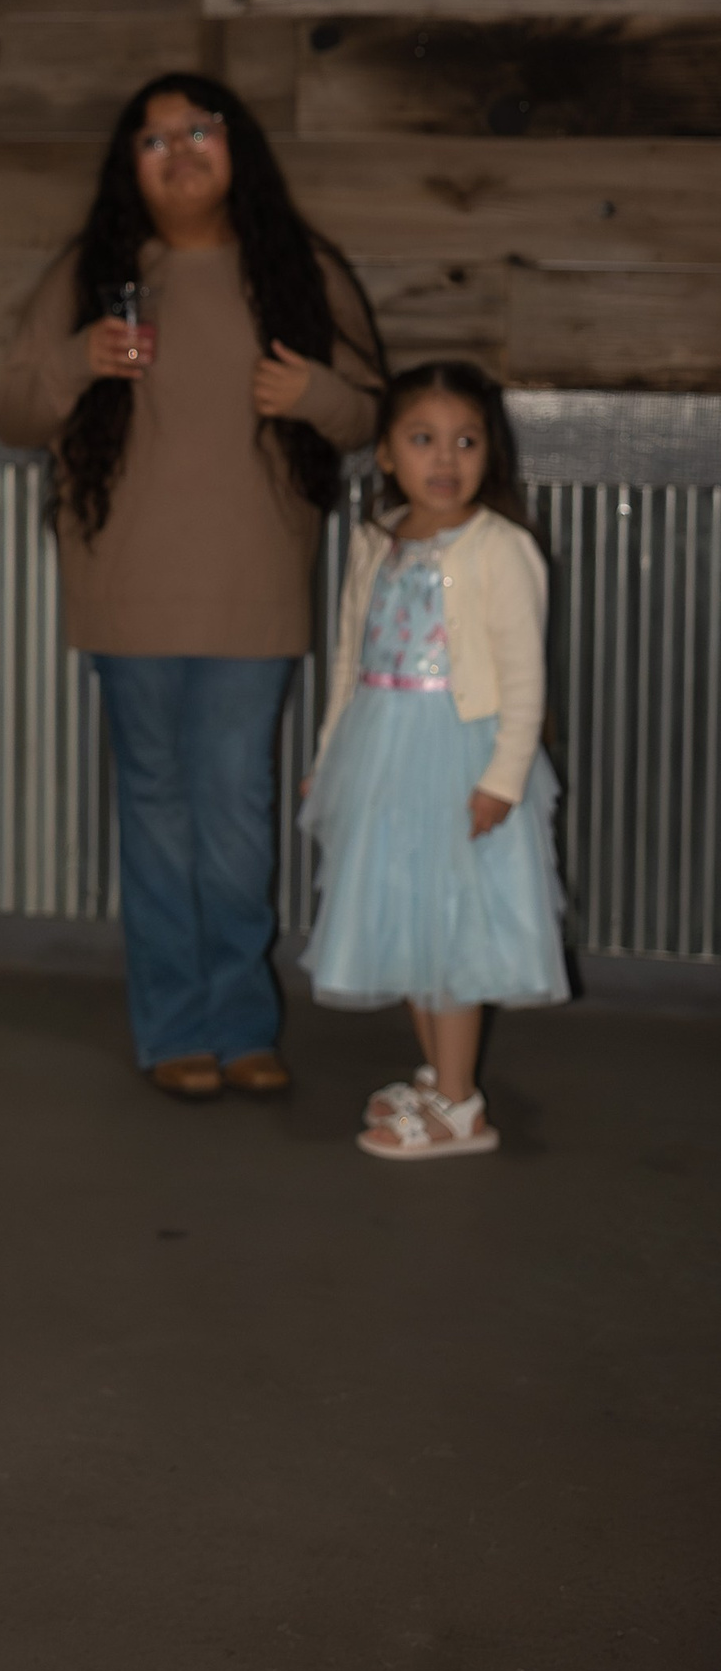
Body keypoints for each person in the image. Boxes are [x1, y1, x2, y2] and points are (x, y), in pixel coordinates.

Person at [0, 74, 383, 1098]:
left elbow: (367, 419)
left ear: (235, 146)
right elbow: (12, 412)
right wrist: (79, 356)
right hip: (125, 594)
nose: (177, 150)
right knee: (158, 818)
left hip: (253, 594)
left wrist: (316, 391)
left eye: (196, 129)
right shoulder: (89, 274)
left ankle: (244, 1023)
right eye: (152, 138)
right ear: (127, 166)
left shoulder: (298, 270)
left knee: (237, 813)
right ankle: (174, 1029)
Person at [302, 362, 564, 1155]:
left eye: (465, 441)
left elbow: (525, 678)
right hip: (380, 750)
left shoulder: (501, 548)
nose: (445, 458)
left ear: (491, 453)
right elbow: (348, 656)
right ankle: (440, 1076)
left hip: (458, 755)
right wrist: (329, 756)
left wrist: (502, 778)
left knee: (450, 929)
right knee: (402, 917)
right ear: (385, 453)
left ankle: (460, 1105)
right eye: (422, 439)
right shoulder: (375, 538)